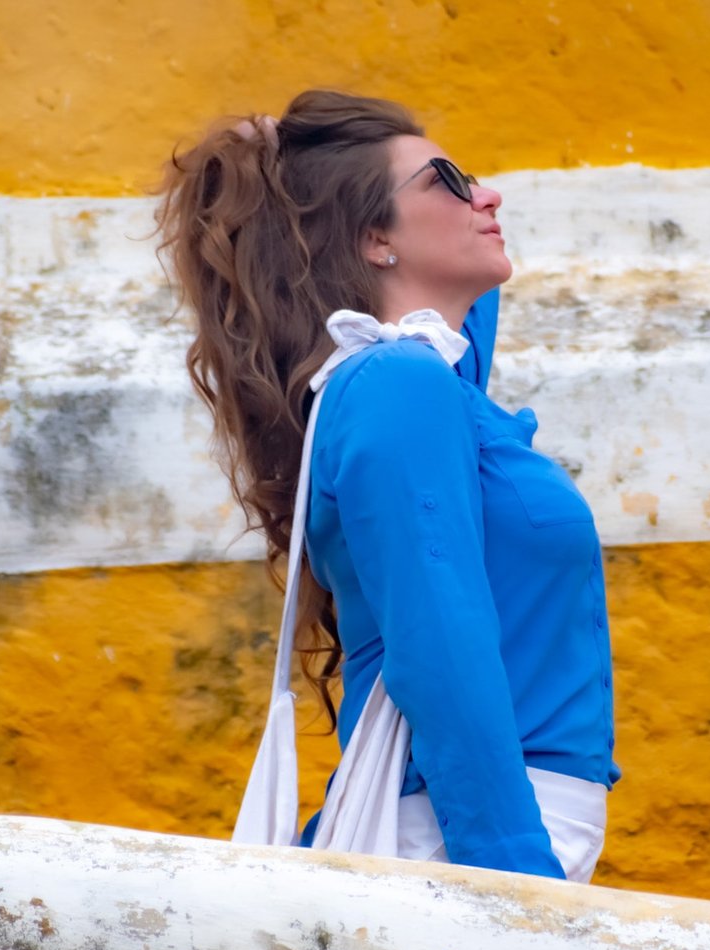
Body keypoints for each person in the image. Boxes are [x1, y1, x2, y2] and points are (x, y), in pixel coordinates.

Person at [155, 90, 619, 881]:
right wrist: (518, 883)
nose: (489, 194)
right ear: (373, 238)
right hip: (467, 836)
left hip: (479, 823)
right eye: (448, 179)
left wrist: (276, 167)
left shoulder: (425, 380)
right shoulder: (397, 383)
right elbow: (439, 645)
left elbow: (470, 305)